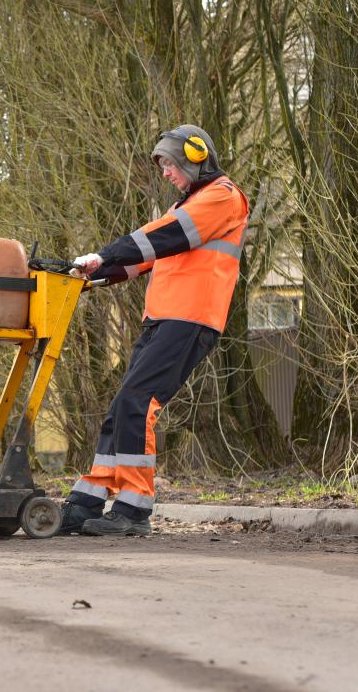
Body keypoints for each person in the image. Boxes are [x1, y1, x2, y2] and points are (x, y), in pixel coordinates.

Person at [62, 124, 249, 536]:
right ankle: (90, 498)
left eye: (169, 164)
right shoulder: (187, 207)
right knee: (121, 406)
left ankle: (133, 510)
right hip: (163, 319)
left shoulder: (222, 197)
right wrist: (86, 273)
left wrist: (104, 253)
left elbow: (162, 238)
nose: (165, 173)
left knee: (137, 402)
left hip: (191, 319)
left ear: (195, 157)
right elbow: (142, 260)